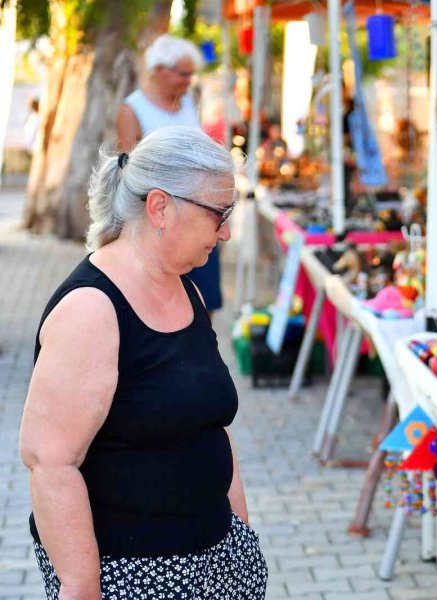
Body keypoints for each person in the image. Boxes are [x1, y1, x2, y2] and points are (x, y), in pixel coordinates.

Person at [19, 126, 267, 600]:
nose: (228, 231)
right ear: (159, 208)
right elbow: (49, 462)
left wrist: (240, 533)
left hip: (213, 559)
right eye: (220, 213)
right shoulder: (92, 309)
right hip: (132, 575)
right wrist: (81, 588)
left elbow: (209, 422)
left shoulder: (185, 287)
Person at [116, 34, 224, 314]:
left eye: (192, 74)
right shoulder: (132, 109)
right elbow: (130, 173)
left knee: (202, 300)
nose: (189, 81)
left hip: (199, 214)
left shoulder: (187, 102)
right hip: (163, 222)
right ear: (159, 70)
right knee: (164, 304)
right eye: (184, 74)